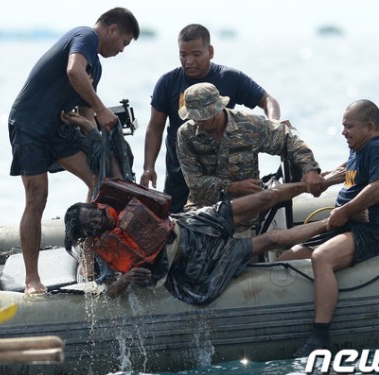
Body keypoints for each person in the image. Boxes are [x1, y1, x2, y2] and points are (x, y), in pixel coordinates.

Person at [64, 171, 350, 306]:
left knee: (265, 197)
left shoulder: (113, 197)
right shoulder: (102, 251)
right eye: (94, 225)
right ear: (90, 235)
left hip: (190, 223)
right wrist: (128, 278)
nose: (100, 219)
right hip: (192, 261)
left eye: (96, 213)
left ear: (93, 204)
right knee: (271, 240)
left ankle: (332, 178)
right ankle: (333, 221)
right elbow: (108, 290)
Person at [8, 7, 140, 296]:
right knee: (37, 197)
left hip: (59, 127)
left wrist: (100, 136)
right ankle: (32, 279)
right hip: (30, 125)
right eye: (124, 43)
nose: (122, 50)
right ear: (113, 30)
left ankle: (88, 255)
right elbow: (72, 71)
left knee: (98, 181)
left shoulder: (98, 68)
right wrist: (105, 109)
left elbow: (87, 115)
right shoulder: (85, 37)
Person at [276, 100, 379, 358]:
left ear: (370, 127)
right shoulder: (357, 149)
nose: (343, 132)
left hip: (369, 230)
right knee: (287, 259)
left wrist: (344, 210)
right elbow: (346, 170)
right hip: (345, 228)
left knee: (322, 257)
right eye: (343, 126)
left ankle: (320, 336)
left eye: (348, 126)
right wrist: (324, 179)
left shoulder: (377, 148)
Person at [140, 23, 283, 214]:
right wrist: (148, 167)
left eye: (196, 54)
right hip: (181, 174)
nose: (189, 61)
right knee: (178, 225)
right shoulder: (167, 82)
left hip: (222, 173)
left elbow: (267, 100)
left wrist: (273, 122)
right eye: (183, 54)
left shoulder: (230, 78)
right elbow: (154, 128)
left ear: (210, 51)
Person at [176, 82, 323, 232]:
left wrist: (310, 169)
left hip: (245, 214)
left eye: (200, 118)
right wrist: (233, 187)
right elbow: (194, 182)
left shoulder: (249, 125)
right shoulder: (186, 134)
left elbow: (289, 141)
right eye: (193, 117)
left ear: (215, 111)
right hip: (204, 212)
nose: (196, 123)